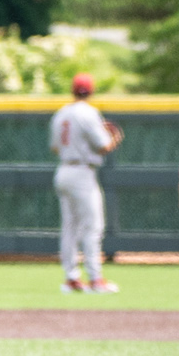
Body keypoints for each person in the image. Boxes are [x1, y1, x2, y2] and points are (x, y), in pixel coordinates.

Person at [50, 72, 121, 293]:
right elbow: (104, 146)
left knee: (70, 228)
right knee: (93, 227)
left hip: (64, 170)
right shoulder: (89, 113)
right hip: (82, 171)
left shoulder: (61, 113)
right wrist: (115, 137)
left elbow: (55, 147)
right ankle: (95, 279)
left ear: (73, 90)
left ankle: (71, 278)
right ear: (91, 91)